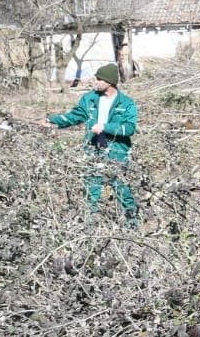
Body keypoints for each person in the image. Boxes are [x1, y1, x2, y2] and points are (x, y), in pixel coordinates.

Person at [47, 62, 139, 225]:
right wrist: (53, 120)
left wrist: (105, 127)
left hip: (117, 153)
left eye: (98, 79)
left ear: (109, 82)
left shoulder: (126, 103)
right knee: (91, 190)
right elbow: (74, 116)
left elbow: (129, 128)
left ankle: (132, 226)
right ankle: (90, 227)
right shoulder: (89, 99)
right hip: (93, 150)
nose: (95, 81)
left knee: (122, 189)